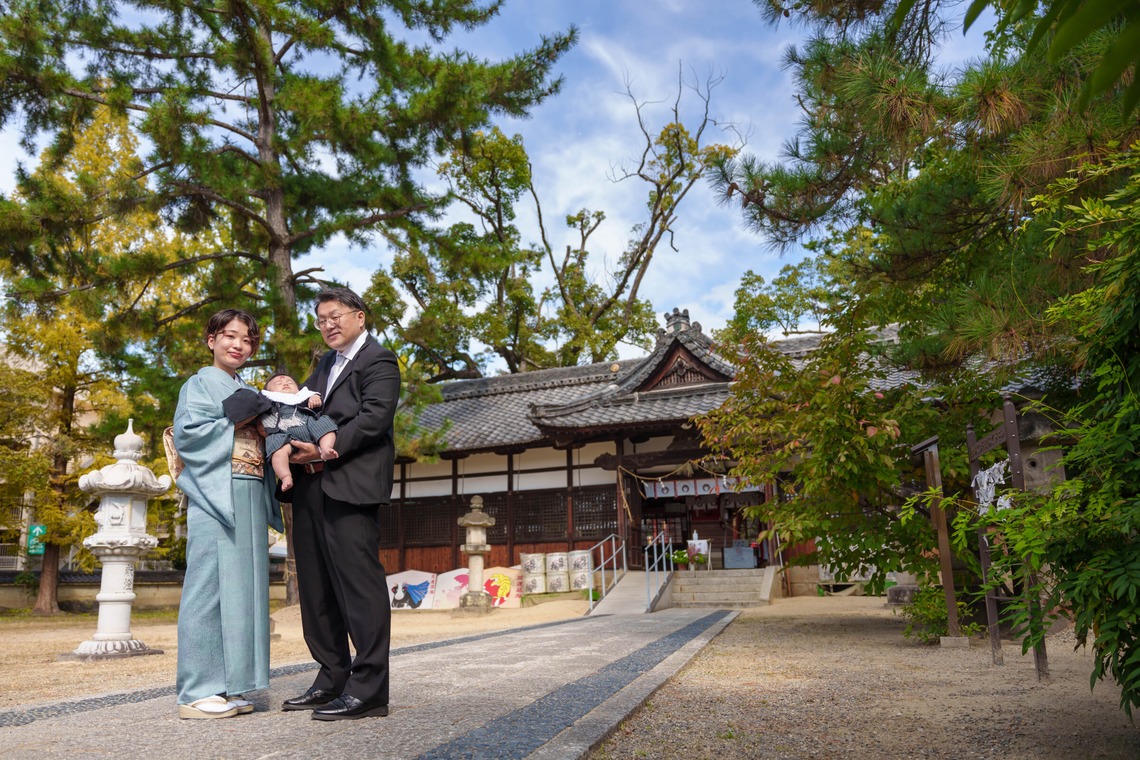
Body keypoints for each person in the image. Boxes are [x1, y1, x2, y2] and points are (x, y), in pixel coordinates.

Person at [281, 287, 401, 721]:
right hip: (311, 488)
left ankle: (369, 690)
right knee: (316, 589)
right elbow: (301, 409)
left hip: (350, 485)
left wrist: (323, 451)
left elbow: (373, 420)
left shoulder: (379, 361)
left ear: (360, 317)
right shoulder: (324, 365)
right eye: (321, 319)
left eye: (335, 316)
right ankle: (332, 677)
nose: (328, 325)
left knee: (358, 589)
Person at [172, 308, 283, 719]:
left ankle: (227, 684)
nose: (239, 345)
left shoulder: (246, 388)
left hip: (250, 490)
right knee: (207, 590)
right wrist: (237, 420)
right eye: (230, 336)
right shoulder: (199, 384)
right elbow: (188, 435)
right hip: (217, 489)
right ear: (211, 340)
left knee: (242, 592)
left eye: (248, 340)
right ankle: (195, 691)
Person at [260, 373, 338, 493]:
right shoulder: (267, 400)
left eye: (290, 382)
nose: (285, 383)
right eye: (278, 383)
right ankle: (285, 476)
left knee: (323, 424)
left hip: (306, 423)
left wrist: (314, 398)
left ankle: (326, 448)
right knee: (278, 450)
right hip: (283, 433)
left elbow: (316, 397)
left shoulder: (304, 395)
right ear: (268, 391)